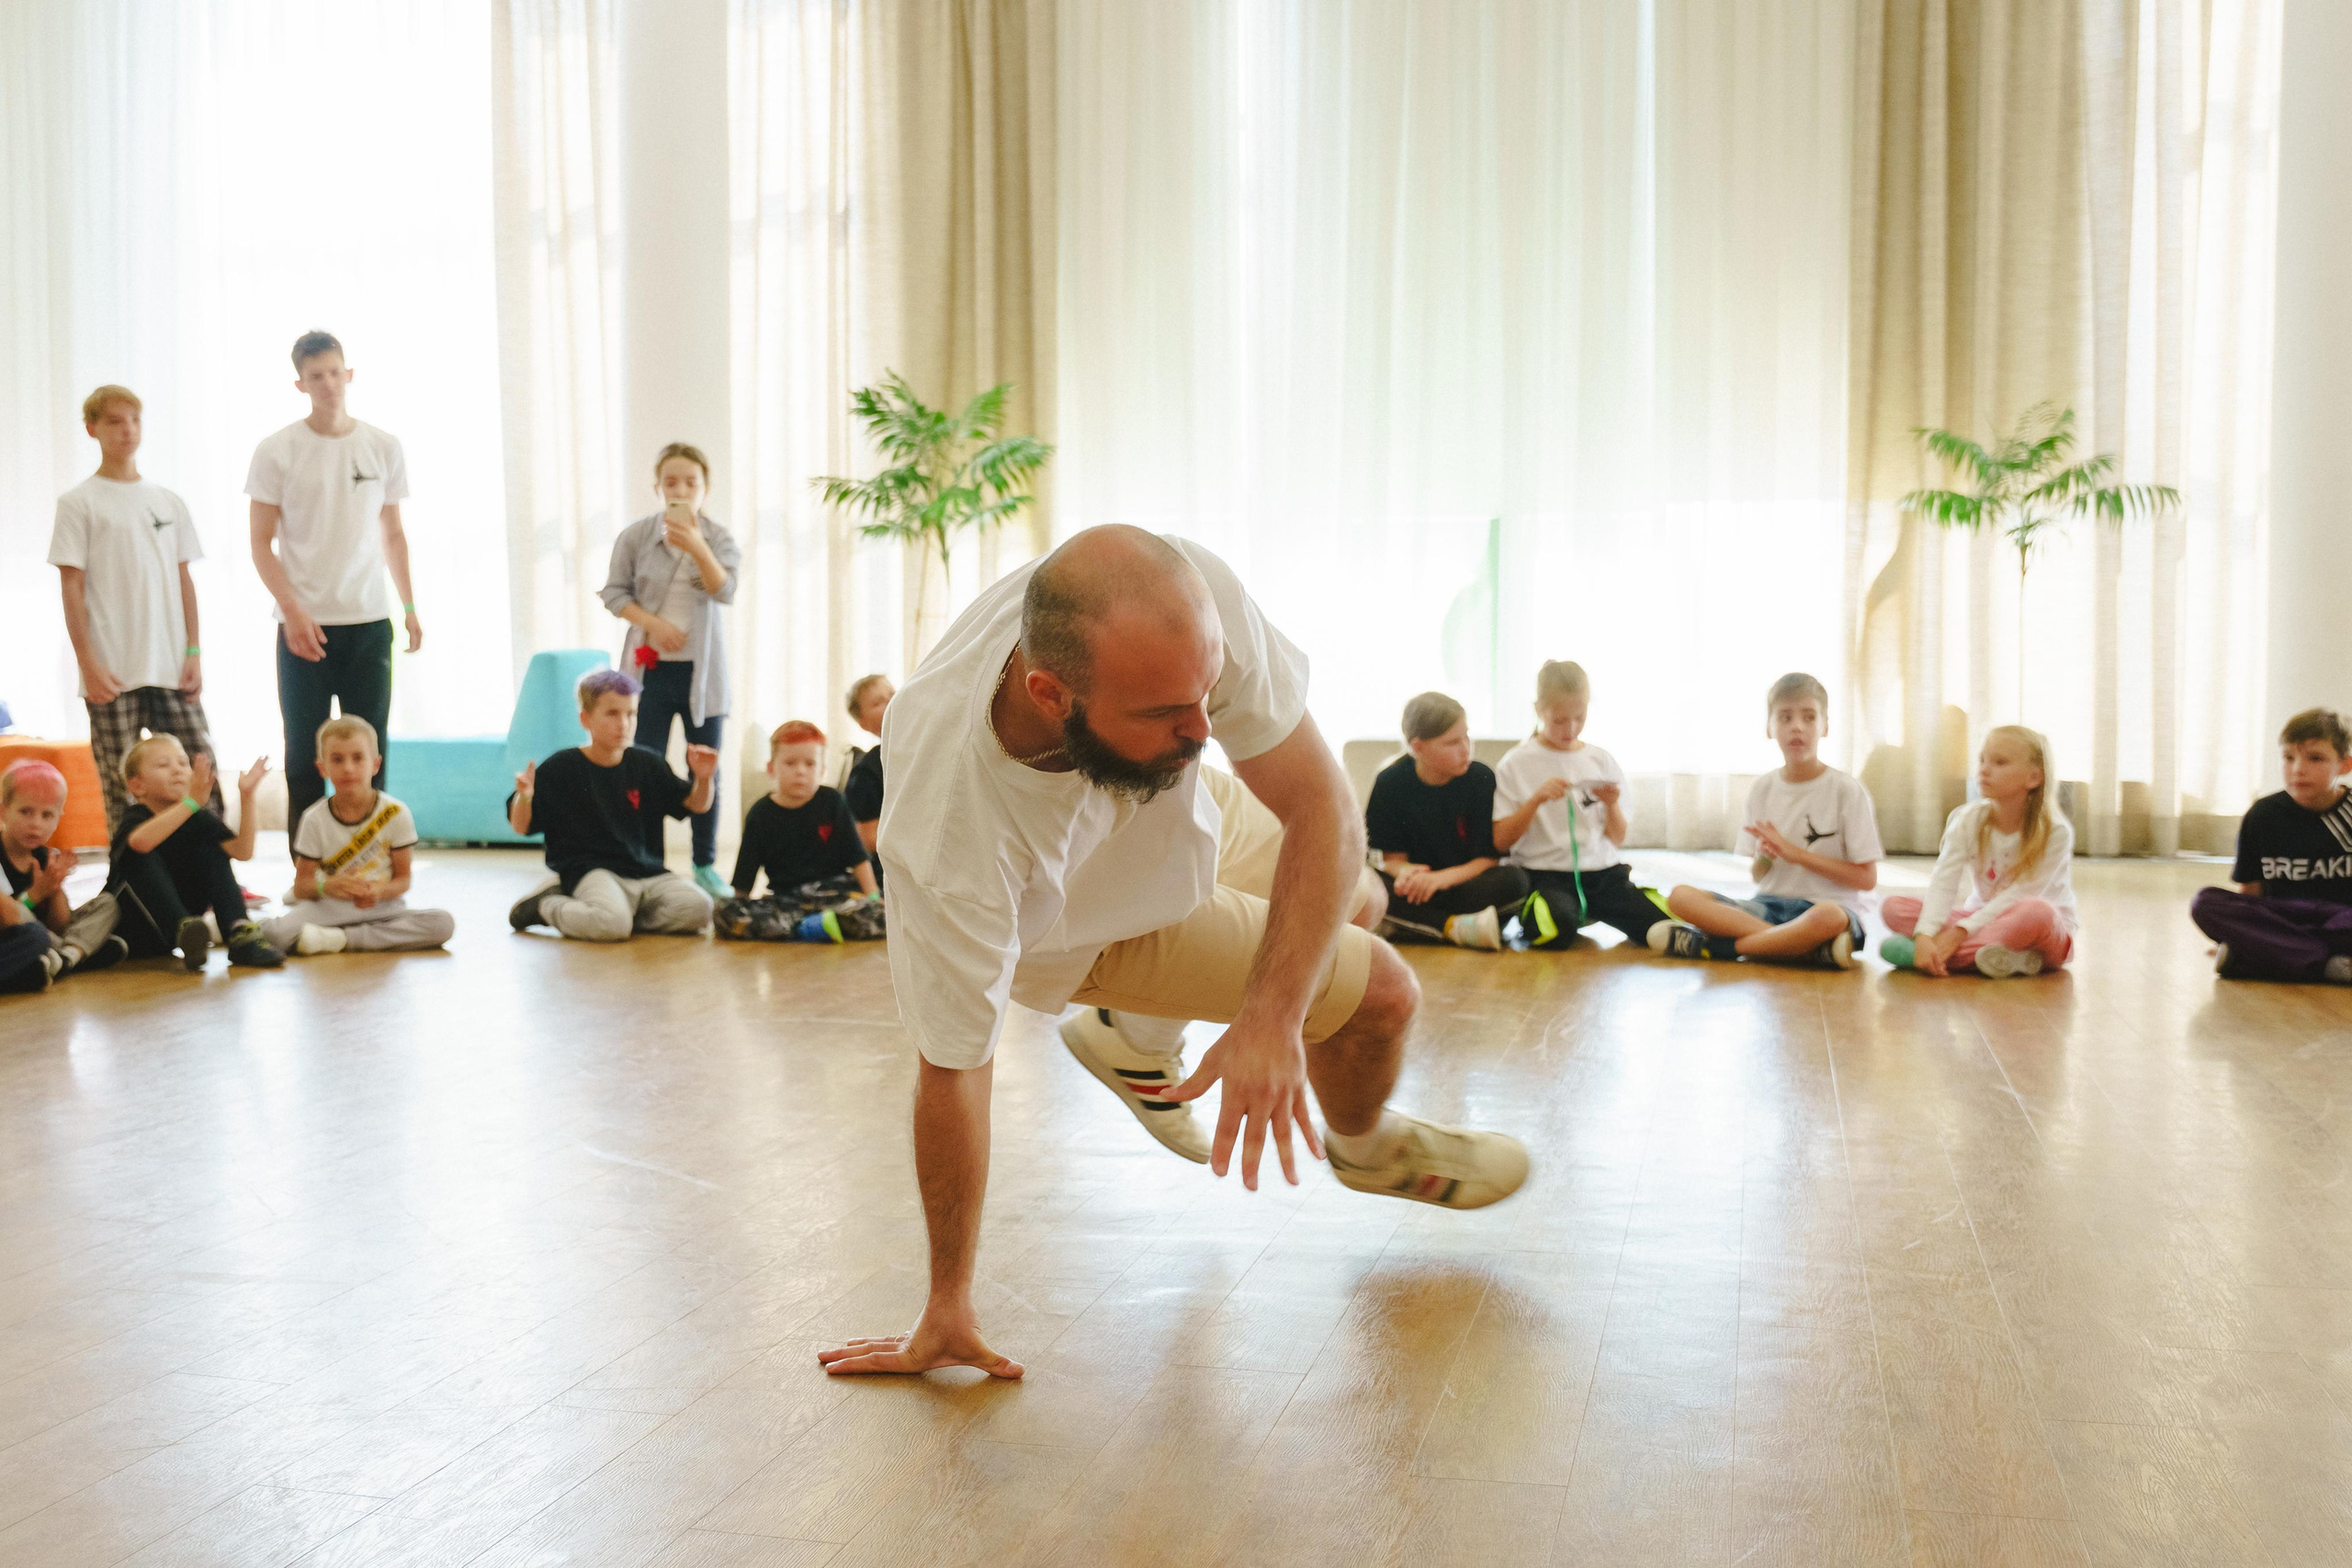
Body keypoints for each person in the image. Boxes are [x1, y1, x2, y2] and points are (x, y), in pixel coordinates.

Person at [817, 526, 1529, 1382]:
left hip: (1156, 799)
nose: (1205, 727)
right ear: (1050, 694)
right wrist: (947, 1302)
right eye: (1165, 710)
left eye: (1205, 695)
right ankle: (1367, 1146)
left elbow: (1319, 803)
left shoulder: (1186, 607)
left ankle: (1134, 1041)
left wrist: (1271, 1017)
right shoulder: (952, 843)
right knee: (1383, 995)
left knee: (1360, 892)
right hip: (1087, 917)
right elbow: (955, 1067)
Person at [247, 330, 423, 832]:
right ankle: (308, 868)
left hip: (369, 621)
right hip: (303, 627)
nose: (328, 384)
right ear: (300, 384)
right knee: (303, 750)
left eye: (334, 373)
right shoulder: (277, 449)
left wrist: (409, 608)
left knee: (371, 748)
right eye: (315, 376)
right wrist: (294, 611)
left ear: (349, 374)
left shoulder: (383, 446)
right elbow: (261, 543)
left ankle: (376, 857)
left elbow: (393, 533)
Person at [50, 384, 224, 836]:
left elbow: (185, 580)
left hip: (170, 665)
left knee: (201, 769)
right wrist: (88, 664)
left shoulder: (168, 501)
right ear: (92, 429)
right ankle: (126, 883)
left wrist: (193, 652)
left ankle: (217, 875)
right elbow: (72, 586)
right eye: (114, 421)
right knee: (120, 781)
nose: (127, 430)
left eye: (134, 420)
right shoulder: (78, 503)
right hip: (111, 670)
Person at [1656, 672, 1881, 968]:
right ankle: (1801, 949)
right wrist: (1766, 858)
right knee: (1681, 897)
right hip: (1768, 905)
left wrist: (1796, 854)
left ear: (1825, 726)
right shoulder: (1762, 789)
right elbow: (1759, 875)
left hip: (1829, 910)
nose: (1797, 727)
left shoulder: (1847, 790)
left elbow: (1866, 879)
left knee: (1829, 917)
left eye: (1809, 717)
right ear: (1769, 727)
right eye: (1785, 718)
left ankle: (1720, 947)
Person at [599, 443, 741, 900]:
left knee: (705, 770)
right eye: (671, 481)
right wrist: (654, 625)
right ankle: (649, 863)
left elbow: (725, 591)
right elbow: (614, 594)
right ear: (658, 486)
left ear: (705, 487)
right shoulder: (637, 536)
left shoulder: (718, 538)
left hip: (704, 676)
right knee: (644, 769)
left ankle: (703, 864)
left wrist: (697, 546)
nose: (681, 489)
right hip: (649, 674)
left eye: (691, 482)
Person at [505, 669, 718, 942]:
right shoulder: (562, 767)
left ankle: (621, 916)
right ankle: (546, 906)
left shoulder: (647, 762)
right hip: (593, 872)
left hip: (647, 874)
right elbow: (521, 826)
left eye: (631, 714)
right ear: (586, 718)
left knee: (700, 909)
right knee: (610, 927)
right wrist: (525, 796)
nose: (624, 723)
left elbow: (696, 805)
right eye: (612, 713)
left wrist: (703, 778)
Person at [1492, 660, 1675, 952]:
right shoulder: (1515, 763)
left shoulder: (1601, 759)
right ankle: (1553, 911)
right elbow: (1501, 840)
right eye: (1559, 720)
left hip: (1602, 875)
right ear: (1539, 710)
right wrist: (1535, 801)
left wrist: (1612, 806)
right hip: (1545, 875)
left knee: (1661, 925)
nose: (1571, 728)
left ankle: (1593, 909)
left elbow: (1616, 838)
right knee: (1554, 931)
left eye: (1580, 717)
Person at [1881, 726, 2076, 976]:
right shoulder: (1967, 819)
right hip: (1980, 920)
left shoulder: (2055, 832)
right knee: (1893, 907)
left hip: (2041, 931)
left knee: (2038, 912)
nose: (1984, 769)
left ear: (2034, 778)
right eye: (1982, 760)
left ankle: (1927, 957)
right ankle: (2006, 958)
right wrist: (1925, 934)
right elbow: (1944, 881)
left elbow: (2019, 895)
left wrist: (1958, 933)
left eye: (2000, 762)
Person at [260, 716, 455, 957]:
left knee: (442, 924)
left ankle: (341, 939)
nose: (348, 768)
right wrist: (327, 887)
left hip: (382, 908)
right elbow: (302, 887)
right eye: (337, 759)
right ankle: (224, 925)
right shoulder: (314, 818)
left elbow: (403, 880)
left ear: (375, 764)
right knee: (275, 934)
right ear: (323, 768)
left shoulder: (396, 813)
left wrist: (379, 891)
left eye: (358, 758)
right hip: (329, 908)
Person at [2191, 707, 2352, 983]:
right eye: (2289, 758)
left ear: (2344, 765)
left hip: (2340, 920)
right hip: (2281, 918)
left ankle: (2258, 958)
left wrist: (2250, 938)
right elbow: (2250, 893)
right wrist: (2244, 928)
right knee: (2204, 902)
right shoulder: (2262, 815)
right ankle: (2327, 964)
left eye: (2315, 758)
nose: (2298, 769)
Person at [1363, 691, 1527, 950]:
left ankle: (1419, 926)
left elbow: (1489, 859)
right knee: (1366, 884)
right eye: (1452, 743)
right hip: (1416, 890)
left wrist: (1439, 880)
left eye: (1466, 736)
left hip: (1463, 884)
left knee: (1516, 881)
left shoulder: (1481, 778)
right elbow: (1389, 860)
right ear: (1417, 747)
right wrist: (1406, 873)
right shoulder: (1389, 783)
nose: (1466, 749)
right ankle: (1452, 927)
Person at [105, 737, 281, 970]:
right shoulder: (136, 817)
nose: (176, 770)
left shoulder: (198, 818)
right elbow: (139, 843)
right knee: (139, 851)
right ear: (137, 786)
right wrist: (191, 802)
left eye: (182, 763)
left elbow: (242, 852)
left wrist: (247, 796)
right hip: (128, 927)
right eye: (163, 765)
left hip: (178, 936)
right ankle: (183, 926)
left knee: (211, 847)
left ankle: (238, 931)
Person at [715, 721, 884, 943]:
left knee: (880, 912)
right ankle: (807, 928)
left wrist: (873, 898)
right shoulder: (760, 814)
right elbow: (744, 875)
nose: (801, 771)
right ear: (771, 768)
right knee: (723, 912)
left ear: (822, 770)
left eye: (810, 764)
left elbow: (858, 857)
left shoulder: (833, 802)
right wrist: (740, 907)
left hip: (834, 893)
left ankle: (808, 926)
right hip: (787, 899)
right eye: (790, 763)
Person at [2, 761, 127, 992]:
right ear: (3, 810)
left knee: (107, 903)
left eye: (47, 815)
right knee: (34, 935)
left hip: (48, 934)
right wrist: (37, 892)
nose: (35, 824)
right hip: (15, 934)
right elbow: (9, 920)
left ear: (59, 817)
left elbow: (59, 924)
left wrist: (56, 886)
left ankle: (65, 958)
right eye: (25, 811)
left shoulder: (43, 856)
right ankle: (80, 953)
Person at [842, 673, 894, 859]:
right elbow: (869, 838)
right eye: (878, 702)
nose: (892, 701)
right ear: (863, 724)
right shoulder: (866, 772)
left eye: (893, 693)